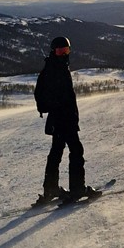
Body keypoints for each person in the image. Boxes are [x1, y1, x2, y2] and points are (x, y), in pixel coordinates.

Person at [33, 37, 98, 205]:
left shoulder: (55, 67)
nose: (63, 54)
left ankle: (50, 190)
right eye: (60, 51)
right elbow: (52, 96)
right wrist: (59, 109)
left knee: (56, 153)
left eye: (66, 51)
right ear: (54, 51)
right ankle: (77, 190)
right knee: (76, 151)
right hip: (64, 119)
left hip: (59, 120)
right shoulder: (55, 69)